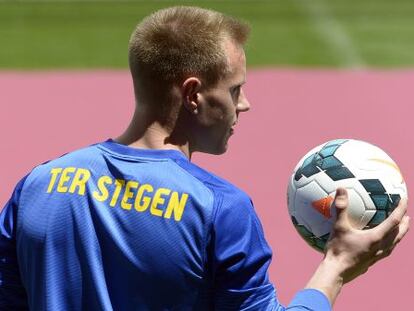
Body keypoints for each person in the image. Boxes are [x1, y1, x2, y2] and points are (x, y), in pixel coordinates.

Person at [0, 6, 409, 311]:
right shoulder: (218, 209)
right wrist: (336, 266)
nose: (243, 105)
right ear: (194, 94)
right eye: (234, 90)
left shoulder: (36, 186)